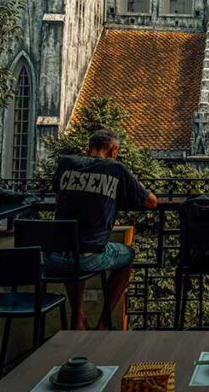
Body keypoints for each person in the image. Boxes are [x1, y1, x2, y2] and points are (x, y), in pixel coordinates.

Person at [48, 129, 157, 329]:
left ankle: (78, 317)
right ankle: (103, 323)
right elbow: (151, 202)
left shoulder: (66, 163)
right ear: (114, 150)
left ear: (87, 149)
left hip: (53, 257)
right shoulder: (115, 168)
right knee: (127, 255)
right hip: (89, 256)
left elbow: (58, 193)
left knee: (72, 247)